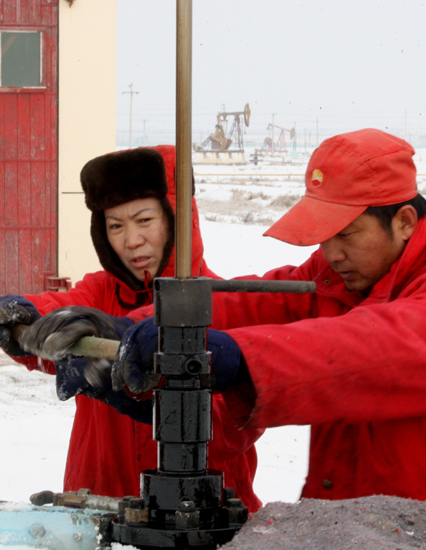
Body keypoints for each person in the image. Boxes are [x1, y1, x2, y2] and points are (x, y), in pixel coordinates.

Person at [36, 127, 426, 503]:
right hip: (351, 518)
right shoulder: (333, 277)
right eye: (324, 235)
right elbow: (248, 304)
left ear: (405, 222)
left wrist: (239, 356)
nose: (332, 253)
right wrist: (132, 326)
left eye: (347, 234)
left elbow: (370, 346)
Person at [0, 145, 263, 513]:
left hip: (198, 516)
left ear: (177, 219)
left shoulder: (223, 304)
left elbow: (235, 425)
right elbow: (60, 312)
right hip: (97, 501)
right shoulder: (99, 293)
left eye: (144, 221)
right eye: (115, 226)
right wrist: (24, 320)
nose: (131, 241)